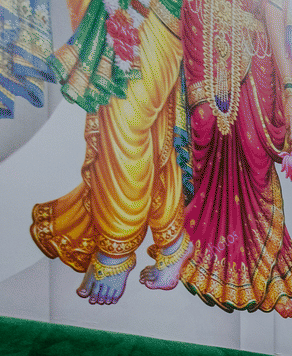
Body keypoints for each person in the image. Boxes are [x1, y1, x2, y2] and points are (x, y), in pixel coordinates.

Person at [31, 0, 193, 304]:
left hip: (158, 12)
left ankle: (116, 248)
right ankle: (172, 241)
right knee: (149, 130)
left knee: (125, 129)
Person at [177, 0, 292, 317]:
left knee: (255, 170)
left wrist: (291, 92)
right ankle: (209, 267)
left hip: (255, 69)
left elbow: (275, 15)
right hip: (205, 57)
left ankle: (270, 280)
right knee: (213, 178)